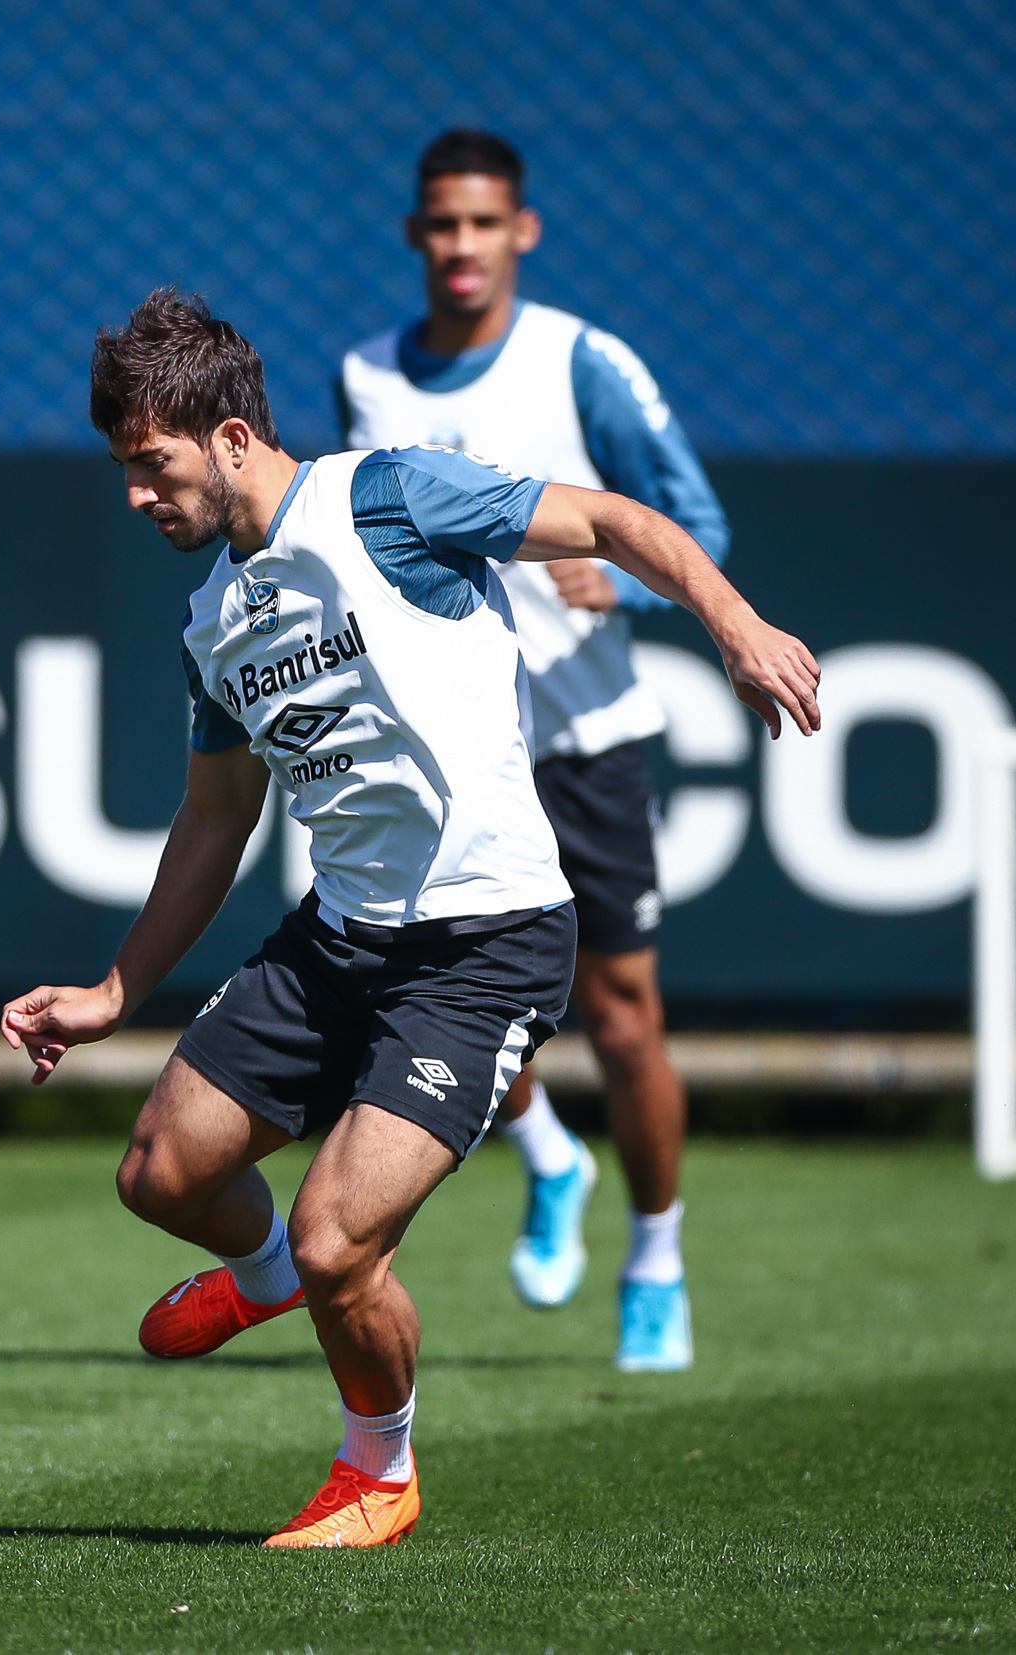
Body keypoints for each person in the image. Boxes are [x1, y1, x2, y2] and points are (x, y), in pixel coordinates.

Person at [0, 290, 816, 1547]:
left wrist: (734, 623)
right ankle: (259, 1275)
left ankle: (377, 1469)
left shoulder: (387, 500)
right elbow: (216, 815)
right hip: (340, 939)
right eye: (120, 467)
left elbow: (609, 517)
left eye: (147, 463)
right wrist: (114, 990)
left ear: (227, 438)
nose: (132, 494)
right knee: (159, 1173)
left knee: (338, 1241)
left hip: (486, 947)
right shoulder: (210, 619)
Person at [337, 129, 730, 1371]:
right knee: (427, 996)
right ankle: (548, 1155)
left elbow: (696, 518)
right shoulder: (363, 376)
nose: (459, 246)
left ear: (522, 231)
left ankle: (655, 1254)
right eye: (439, 224)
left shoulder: (580, 360)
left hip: (580, 741)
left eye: (481, 223)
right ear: (414, 235)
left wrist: (633, 591)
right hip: (444, 760)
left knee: (620, 1018)